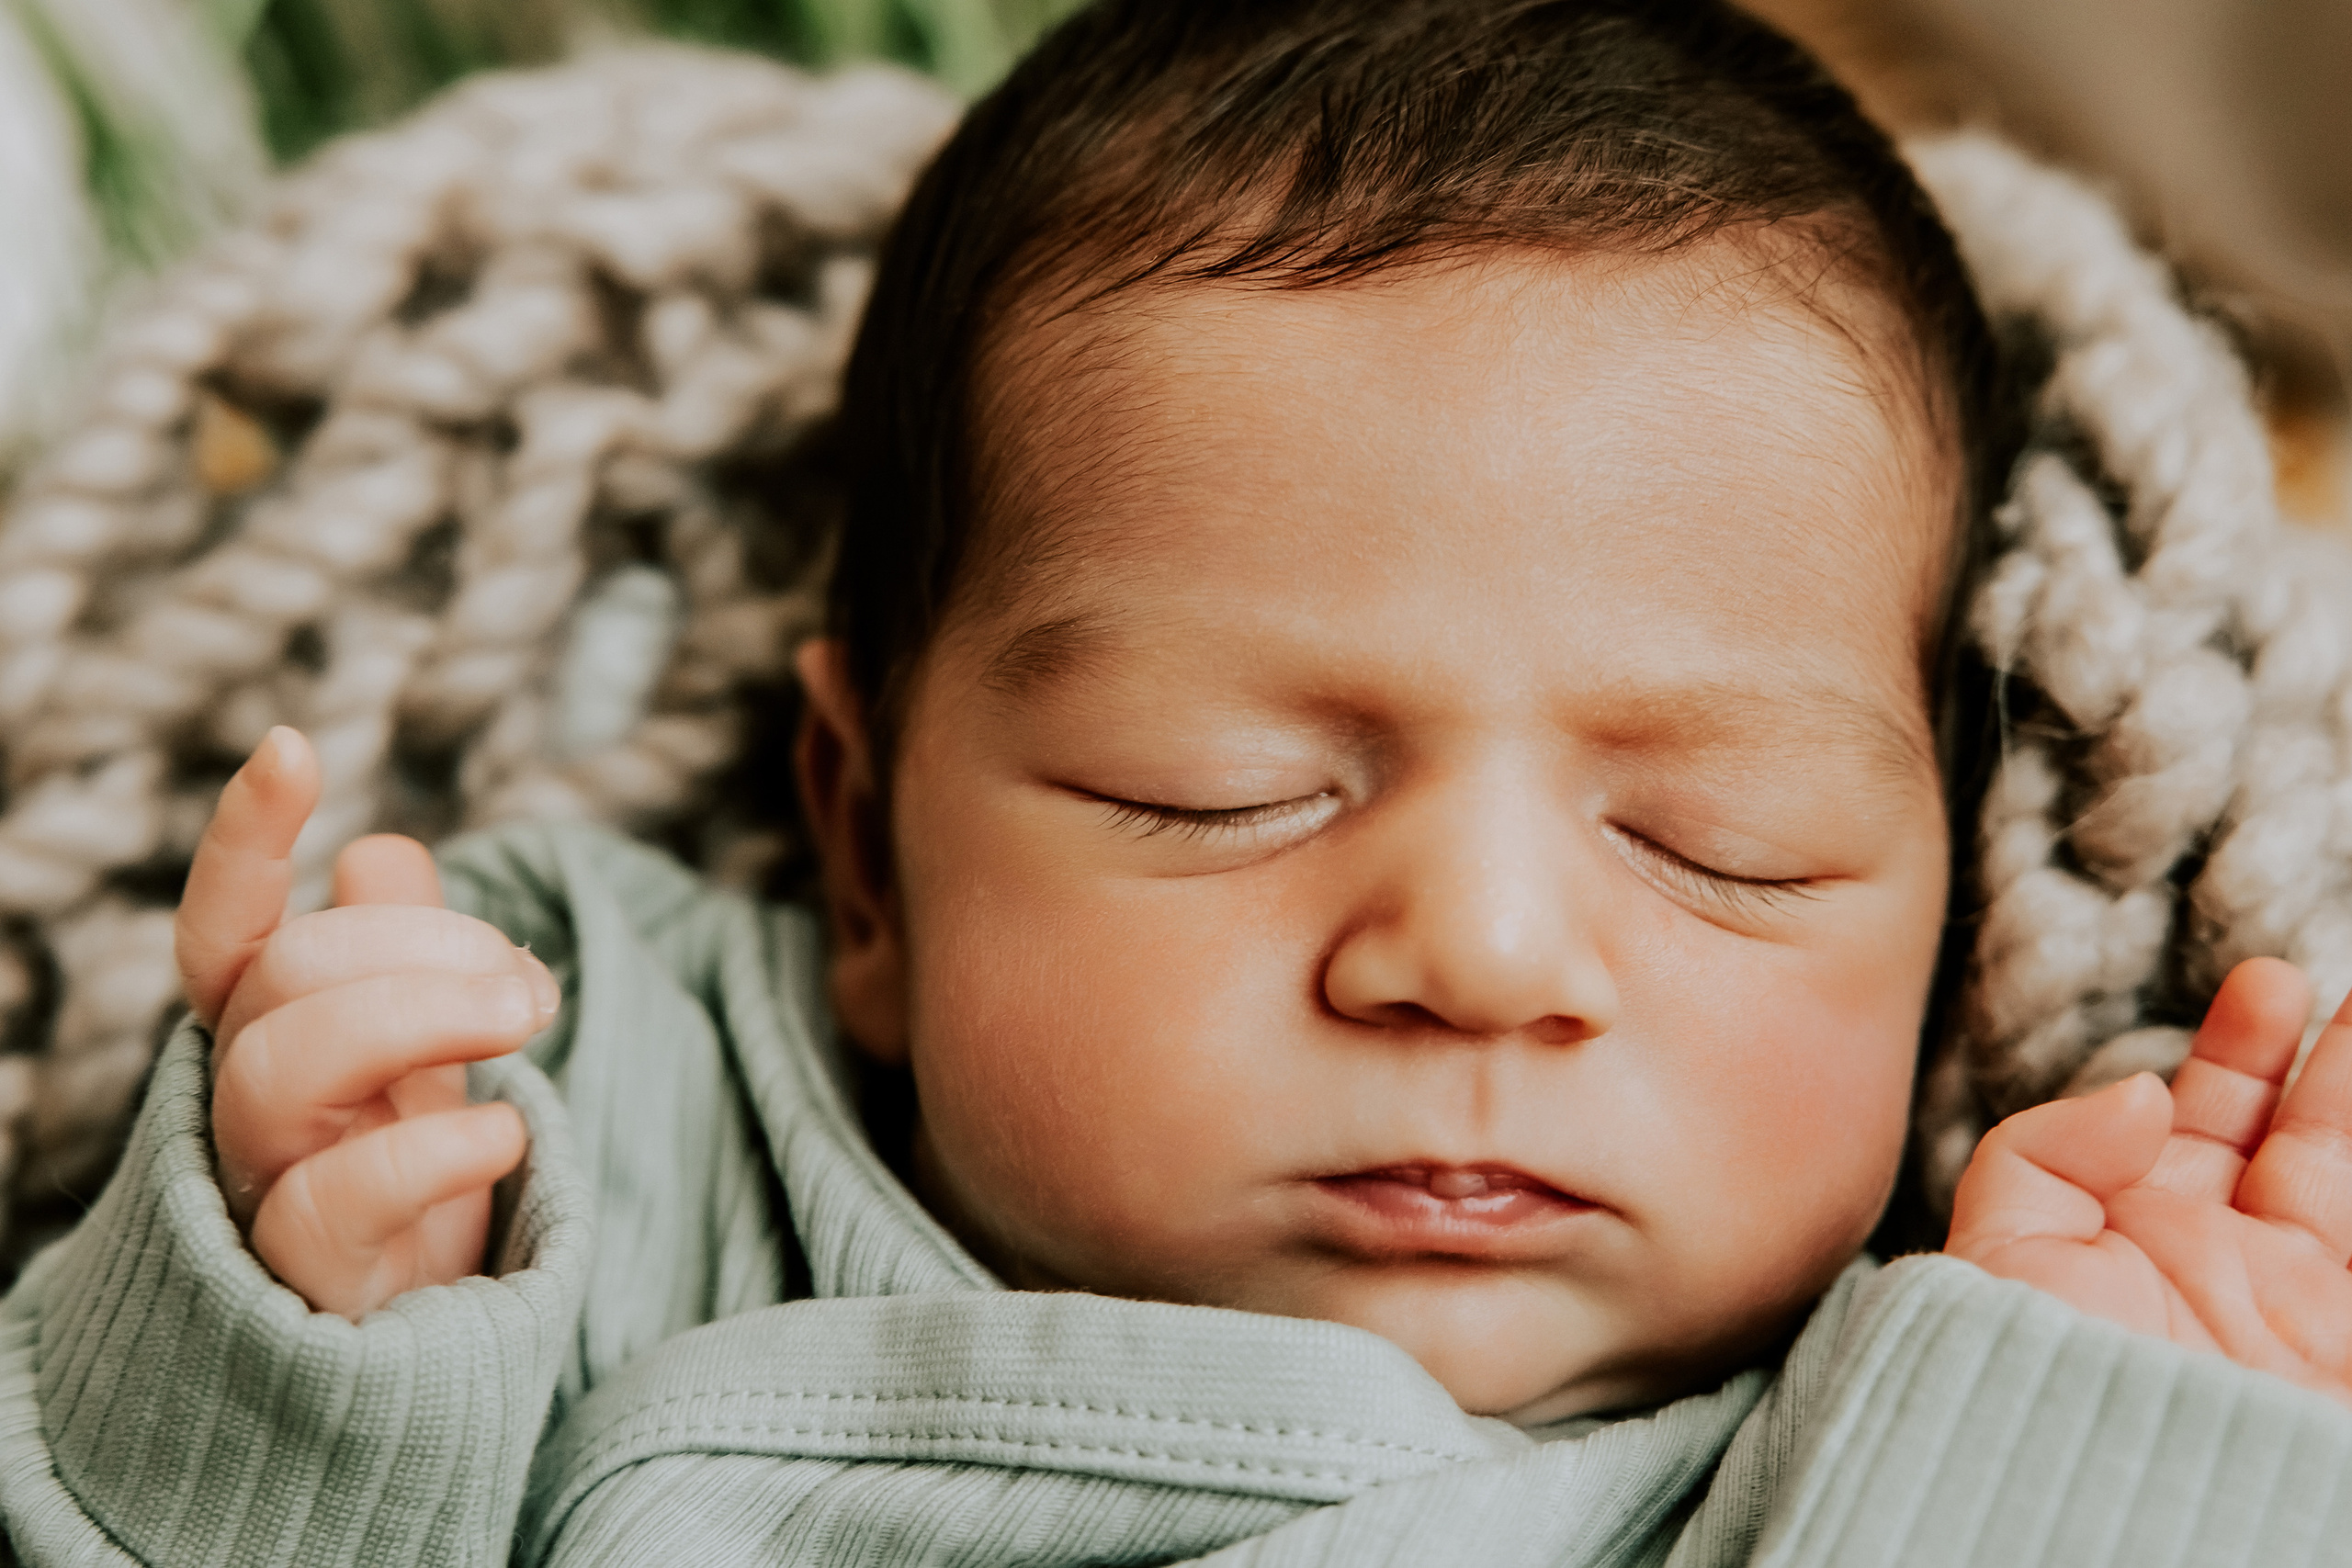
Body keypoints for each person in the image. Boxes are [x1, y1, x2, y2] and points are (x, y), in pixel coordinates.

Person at [5, 2, 2349, 1563]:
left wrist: (2118, 1452)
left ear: (1946, 911)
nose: (1482, 954)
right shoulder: (586, 1115)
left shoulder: (1903, 1428)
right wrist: (288, 1326)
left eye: (1716, 842)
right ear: (862, 844)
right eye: (1213, 789)